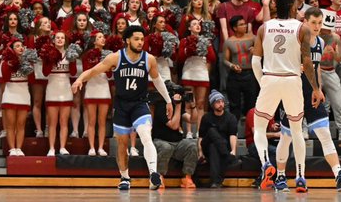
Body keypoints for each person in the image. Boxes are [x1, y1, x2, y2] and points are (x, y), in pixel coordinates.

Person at [72, 24, 173, 191]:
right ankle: (125, 177)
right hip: (122, 105)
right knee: (122, 144)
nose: (140, 42)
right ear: (127, 40)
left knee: (146, 135)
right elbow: (94, 70)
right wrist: (79, 79)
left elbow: (157, 81)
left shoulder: (149, 59)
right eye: (136, 39)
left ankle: (154, 174)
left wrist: (168, 100)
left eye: (142, 39)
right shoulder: (115, 58)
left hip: (140, 104)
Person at [273, 6, 341, 191]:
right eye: (313, 23)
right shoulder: (294, 40)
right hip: (291, 92)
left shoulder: (319, 41)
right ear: (305, 22)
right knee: (286, 137)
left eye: (320, 23)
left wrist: (317, 88)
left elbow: (317, 68)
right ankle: (280, 177)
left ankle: (338, 174)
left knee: (325, 134)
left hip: (311, 92)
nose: (317, 26)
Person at [250, 0, 322, 192]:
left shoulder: (264, 27)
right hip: (292, 80)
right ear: (292, 6)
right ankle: (300, 177)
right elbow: (307, 62)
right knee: (297, 131)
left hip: (270, 78)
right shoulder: (302, 28)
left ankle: (266, 163)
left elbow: (255, 61)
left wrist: (262, 81)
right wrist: (315, 88)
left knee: (259, 128)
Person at [150, 82, 200, 189]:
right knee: (166, 147)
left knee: (192, 145)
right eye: (176, 93)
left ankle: (187, 177)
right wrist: (178, 106)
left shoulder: (178, 106)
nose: (179, 95)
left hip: (177, 143)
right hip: (160, 141)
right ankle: (159, 177)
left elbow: (193, 120)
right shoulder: (161, 106)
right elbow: (174, 125)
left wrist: (193, 106)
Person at [198, 90, 240, 188]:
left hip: (220, 147)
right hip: (206, 145)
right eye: (218, 102)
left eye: (222, 101)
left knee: (214, 147)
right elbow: (201, 137)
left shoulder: (231, 118)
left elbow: (233, 135)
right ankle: (228, 157)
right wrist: (200, 153)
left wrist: (233, 151)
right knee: (212, 131)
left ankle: (215, 182)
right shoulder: (206, 117)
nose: (221, 104)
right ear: (212, 104)